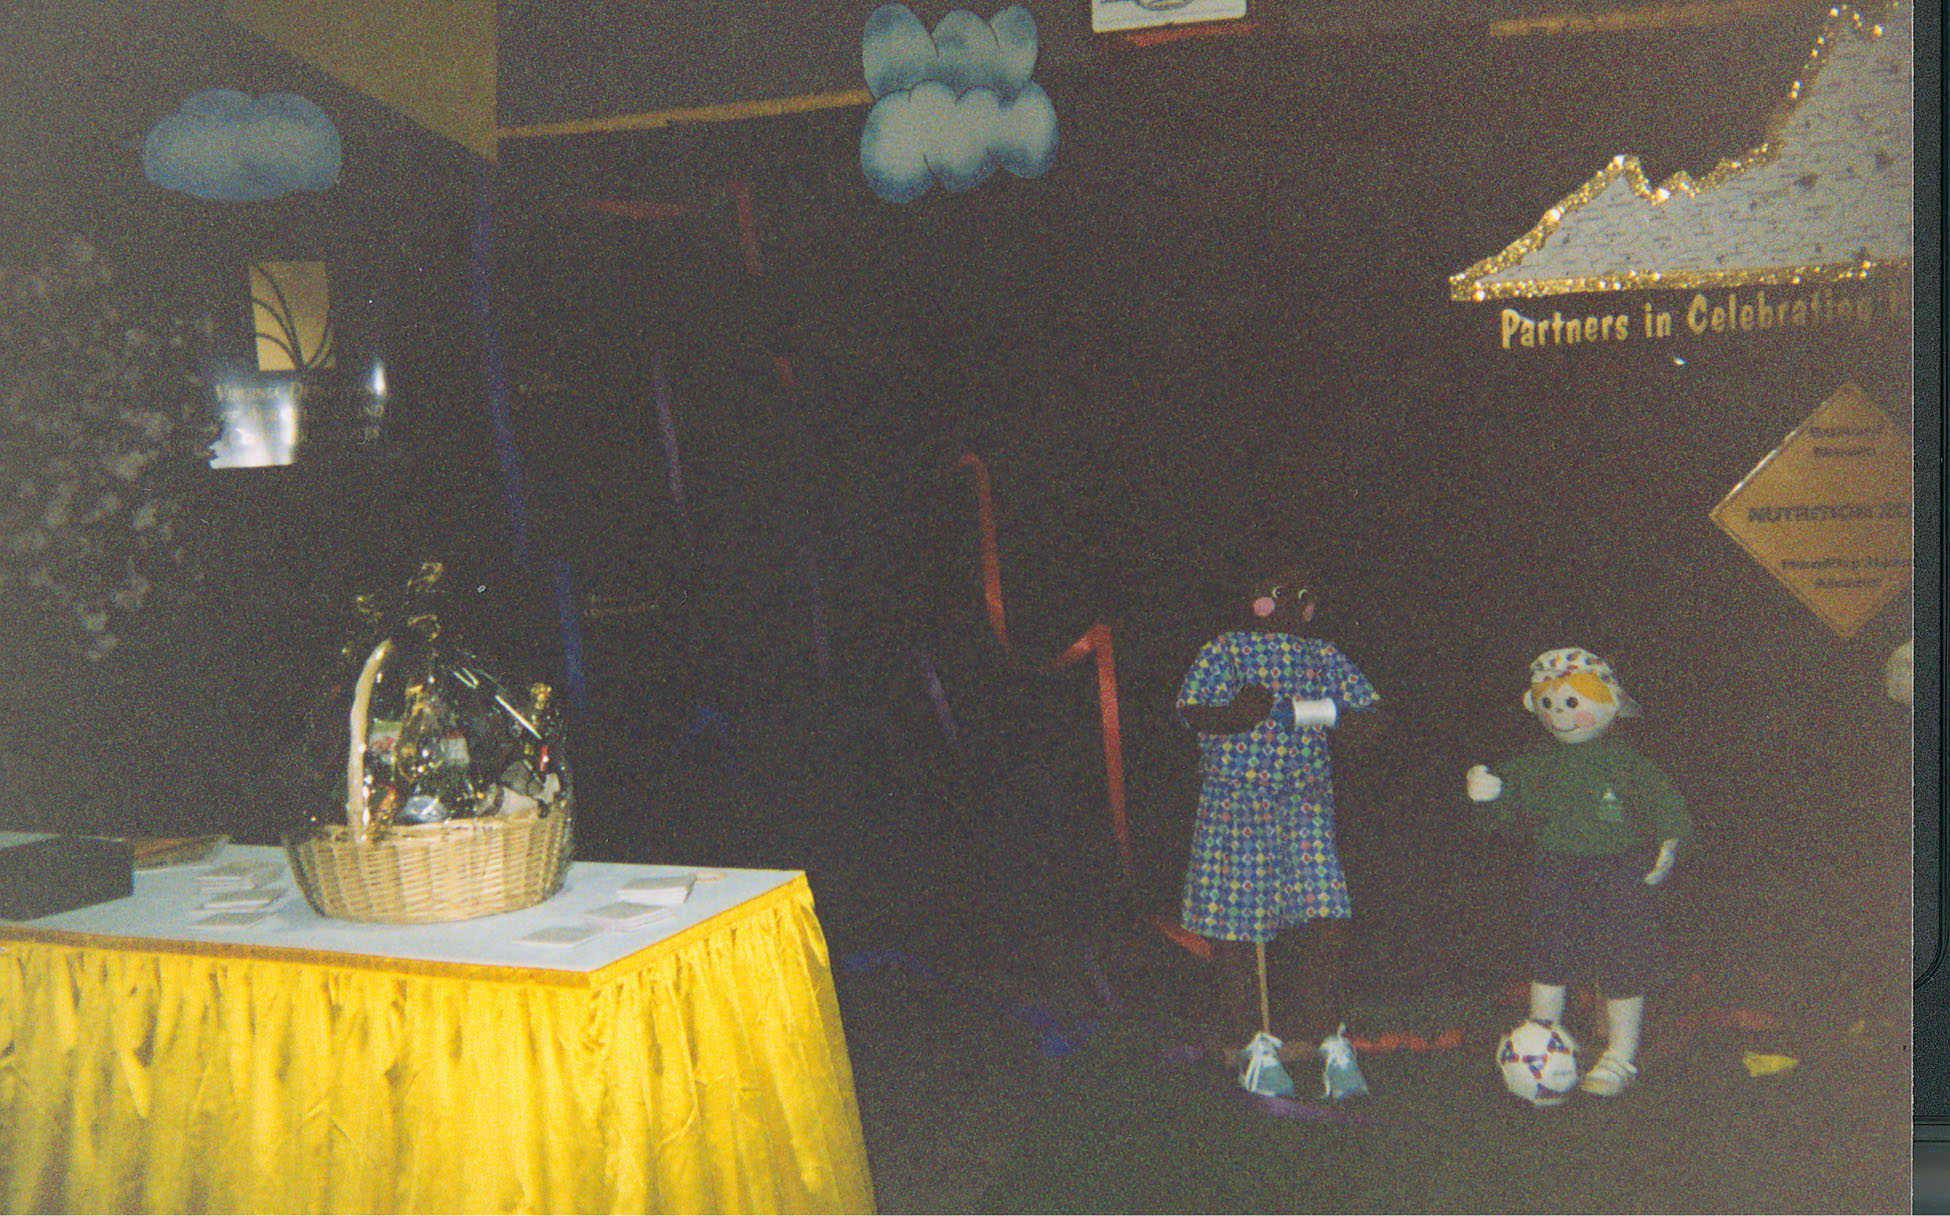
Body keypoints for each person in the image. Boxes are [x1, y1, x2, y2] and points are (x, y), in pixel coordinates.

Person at [1464, 647, 1695, 1097]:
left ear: (1610, 704)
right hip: (1556, 868)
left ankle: (1621, 1054)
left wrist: (1673, 843)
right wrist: (1486, 794)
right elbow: (1504, 806)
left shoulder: (1625, 763)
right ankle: (1541, 1039)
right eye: (1548, 704)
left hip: (1619, 869)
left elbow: (1665, 803)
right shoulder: (1539, 763)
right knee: (1548, 953)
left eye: (1572, 703)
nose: (1559, 714)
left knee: (1622, 955)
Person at [1177, 562, 1381, 1064]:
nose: (1291, 603)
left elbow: (1370, 714)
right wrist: (1234, 716)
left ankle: (1321, 1031)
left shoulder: (1323, 655)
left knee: (1326, 908)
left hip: (1304, 801)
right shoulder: (1227, 649)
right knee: (1237, 921)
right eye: (1278, 592)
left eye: (1302, 595)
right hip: (1237, 799)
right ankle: (1250, 1040)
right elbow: (1191, 709)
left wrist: (1328, 714)